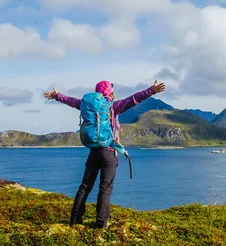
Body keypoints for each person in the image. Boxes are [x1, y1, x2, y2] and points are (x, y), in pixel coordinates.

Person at [44, 80, 165, 228]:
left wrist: (57, 96)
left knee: (85, 186)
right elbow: (134, 99)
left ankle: (75, 221)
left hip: (94, 152)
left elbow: (72, 101)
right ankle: (101, 224)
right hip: (109, 153)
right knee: (105, 189)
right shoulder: (114, 106)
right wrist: (152, 90)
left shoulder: (86, 105)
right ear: (110, 93)